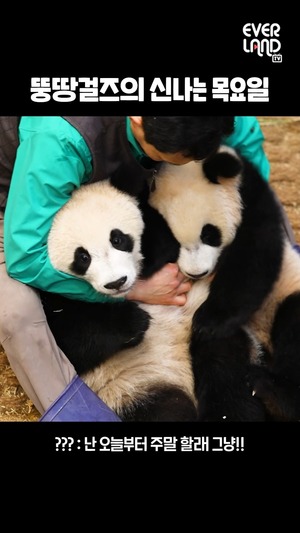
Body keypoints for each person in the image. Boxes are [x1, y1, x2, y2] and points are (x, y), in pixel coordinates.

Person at [0, 116, 294, 422]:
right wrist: (134, 290)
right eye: (178, 155)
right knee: (17, 312)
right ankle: (78, 416)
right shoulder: (59, 136)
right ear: (139, 120)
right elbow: (25, 257)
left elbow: (241, 135)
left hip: (115, 178)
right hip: (17, 208)